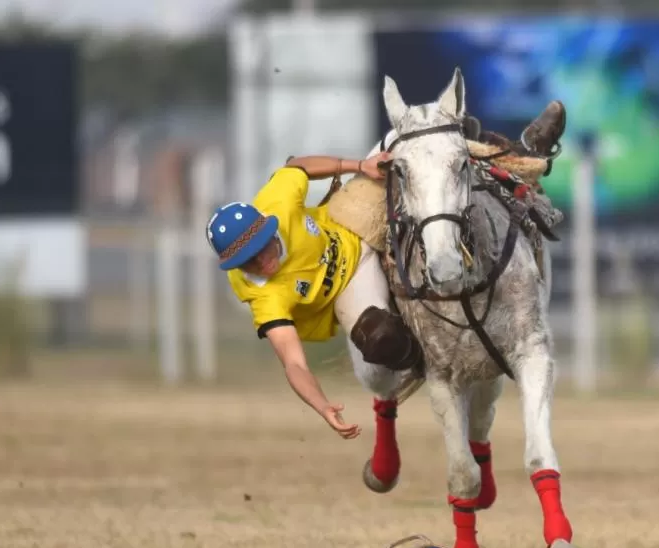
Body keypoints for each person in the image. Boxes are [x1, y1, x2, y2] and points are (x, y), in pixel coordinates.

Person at [205, 101, 567, 492]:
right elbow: (293, 362)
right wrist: (322, 405)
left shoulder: (275, 201)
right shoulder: (264, 297)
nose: (262, 262)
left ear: (267, 226)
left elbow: (298, 166)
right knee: (384, 340)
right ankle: (428, 364)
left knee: (416, 150)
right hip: (344, 288)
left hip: (351, 225)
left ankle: (525, 154)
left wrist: (356, 166)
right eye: (249, 262)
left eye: (261, 248)